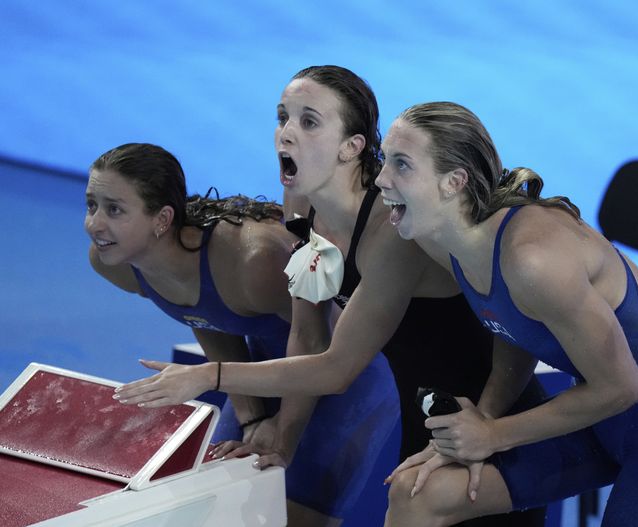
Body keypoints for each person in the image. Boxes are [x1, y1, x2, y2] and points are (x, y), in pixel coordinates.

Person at [113, 67, 547, 527]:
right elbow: (308, 333)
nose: (286, 133)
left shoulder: (391, 230)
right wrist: (284, 440)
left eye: (309, 122)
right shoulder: (301, 206)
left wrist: (209, 375)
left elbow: (338, 369)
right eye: (282, 117)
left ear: (351, 147)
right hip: (429, 411)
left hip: (494, 413)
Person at [374, 101, 638, 526]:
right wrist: (483, 419)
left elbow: (623, 387)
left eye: (401, 164)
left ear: (454, 182)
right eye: (384, 159)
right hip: (596, 421)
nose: (381, 178)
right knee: (417, 492)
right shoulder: (449, 239)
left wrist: (492, 435)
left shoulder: (533, 258)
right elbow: (516, 327)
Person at [84, 142, 400, 527]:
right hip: (266, 371)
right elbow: (206, 317)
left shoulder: (256, 262)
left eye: (114, 210)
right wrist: (252, 419)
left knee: (294, 520)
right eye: (92, 205)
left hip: (346, 376)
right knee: (222, 510)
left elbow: (317, 341)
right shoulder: (115, 264)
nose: (95, 224)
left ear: (162, 219)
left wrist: (284, 436)